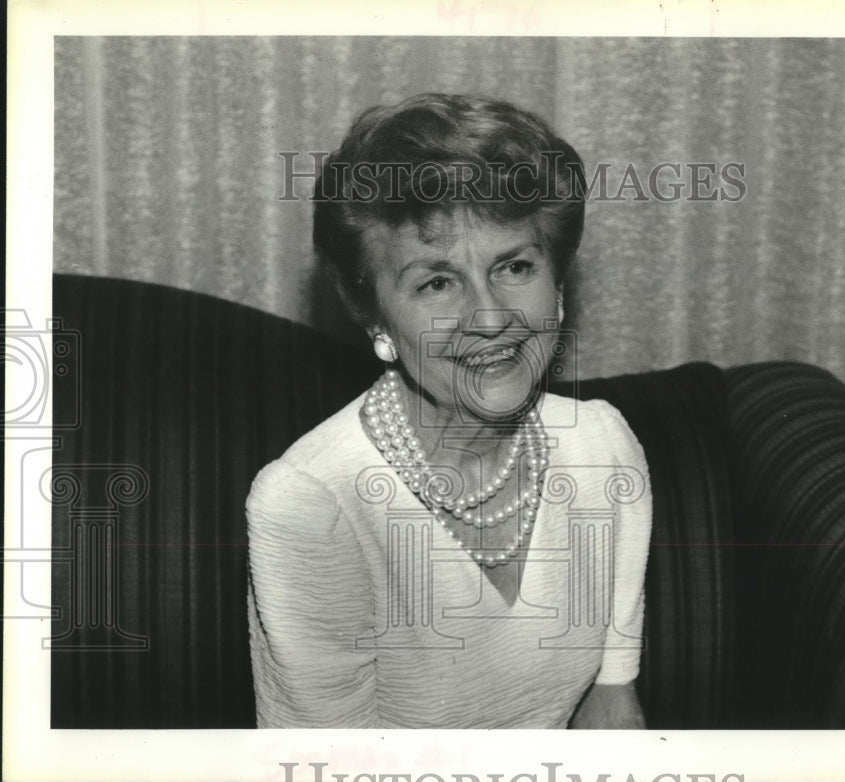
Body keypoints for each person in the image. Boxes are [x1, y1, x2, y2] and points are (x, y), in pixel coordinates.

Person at [246, 93, 652, 728]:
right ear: (375, 317)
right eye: (436, 283)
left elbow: (613, 713)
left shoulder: (604, 450)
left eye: (515, 266)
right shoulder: (312, 504)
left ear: (560, 287)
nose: (490, 317)